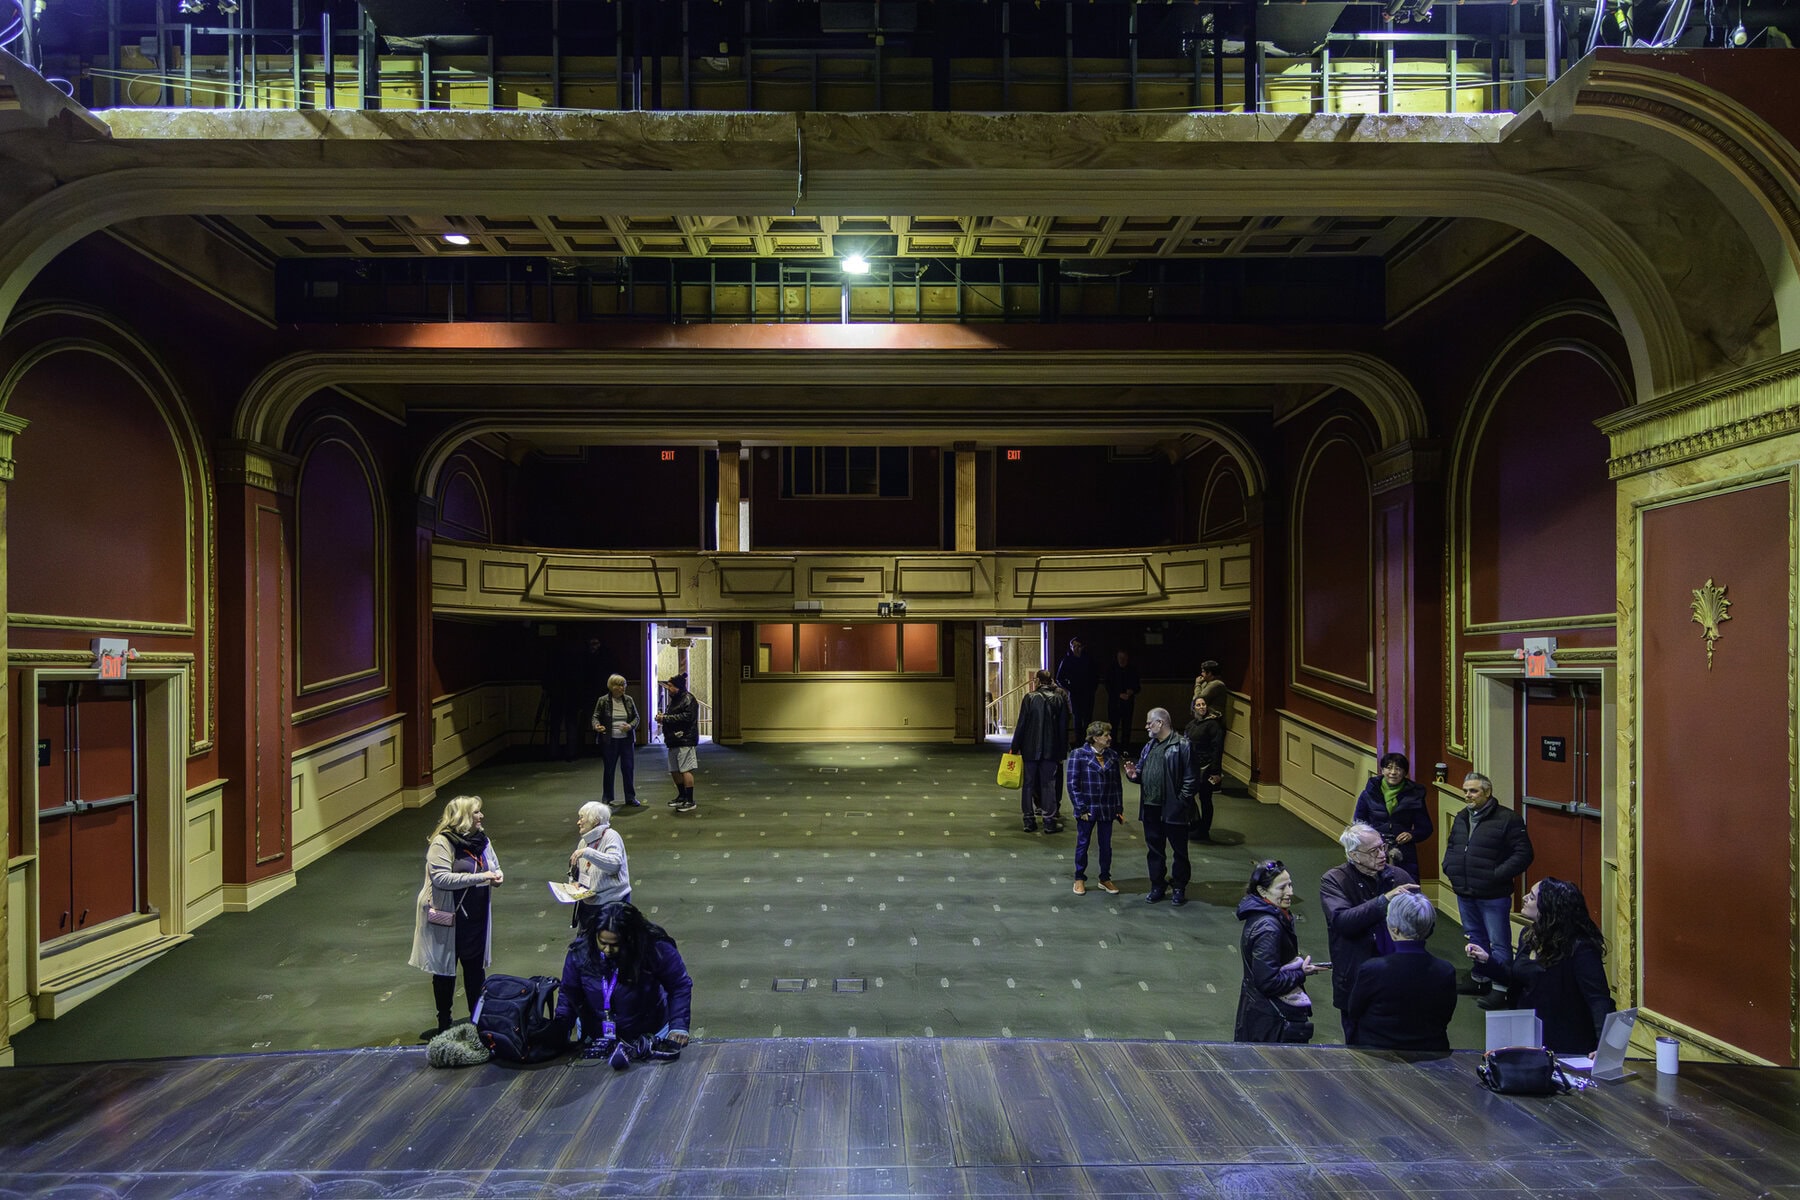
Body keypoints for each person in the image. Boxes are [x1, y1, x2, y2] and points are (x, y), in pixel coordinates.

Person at [1465, 877, 1615, 1054]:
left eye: (1532, 897)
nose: (1524, 898)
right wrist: (1487, 961)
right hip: (1527, 1033)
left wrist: (1604, 1048)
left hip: (1565, 1041)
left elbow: (1598, 999)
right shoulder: (1528, 935)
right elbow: (1517, 979)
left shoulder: (1580, 948)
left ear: (1550, 907)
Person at [408, 794, 503, 1039]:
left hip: (476, 915)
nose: (481, 816)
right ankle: (444, 1022)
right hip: (449, 917)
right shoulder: (442, 843)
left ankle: (477, 1020)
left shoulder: (482, 840)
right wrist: (482, 877)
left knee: (475, 971)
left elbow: (494, 865)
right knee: (444, 971)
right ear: (463, 817)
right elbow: (441, 879)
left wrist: (498, 875)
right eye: (476, 813)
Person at [554, 902, 693, 1067]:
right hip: (597, 1036)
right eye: (602, 943)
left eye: (614, 944)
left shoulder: (655, 948)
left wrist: (678, 1025)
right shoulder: (580, 953)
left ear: (630, 938)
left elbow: (679, 985)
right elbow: (569, 993)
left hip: (649, 1037)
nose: (607, 950)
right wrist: (561, 1031)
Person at [1442, 771, 1534, 1010]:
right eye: (1465, 791)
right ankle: (1480, 978)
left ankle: (1502, 989)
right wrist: (1449, 867)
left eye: (1473, 791)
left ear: (1487, 792)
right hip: (1465, 889)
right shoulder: (1462, 816)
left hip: (1493, 894)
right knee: (1475, 938)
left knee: (1499, 943)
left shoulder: (1508, 819)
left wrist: (1495, 875)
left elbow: (1523, 854)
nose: (1468, 795)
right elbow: (1453, 846)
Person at [1320, 822, 1420, 1036]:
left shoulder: (1399, 877)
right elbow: (1343, 922)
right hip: (1356, 978)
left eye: (1382, 847)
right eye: (1374, 851)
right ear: (1354, 855)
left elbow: (1423, 922)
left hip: (1399, 977)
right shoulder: (1334, 880)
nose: (1382, 854)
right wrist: (1384, 901)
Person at [1345, 891, 1458, 1051]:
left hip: (1376, 1052)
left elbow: (1354, 1011)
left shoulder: (1373, 969)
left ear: (1394, 929)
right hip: (1430, 1051)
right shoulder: (1445, 970)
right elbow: (1445, 1016)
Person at [1234, 859, 1329, 1042]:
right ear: (1262, 891)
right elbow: (1268, 982)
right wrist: (1300, 973)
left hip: (1259, 1012)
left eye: (1290, 885)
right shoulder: (1268, 928)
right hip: (1270, 1021)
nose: (1290, 892)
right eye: (1282, 888)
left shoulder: (1271, 915)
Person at [1123, 707, 1198, 905]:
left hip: (1174, 809)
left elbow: (1191, 779)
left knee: (1179, 851)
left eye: (1149, 722)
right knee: (1154, 850)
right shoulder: (1149, 746)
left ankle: (1179, 887)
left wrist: (1181, 801)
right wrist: (1134, 775)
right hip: (1151, 808)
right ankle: (1157, 885)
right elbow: (1142, 772)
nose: (1146, 726)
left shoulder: (1182, 746)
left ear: (1160, 723)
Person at [1352, 752, 1433, 878]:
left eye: (1398, 768)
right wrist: (1373, 837)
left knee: (1405, 890)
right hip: (1373, 849)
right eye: (1389, 768)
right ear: (1382, 770)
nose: (1393, 772)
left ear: (1405, 772)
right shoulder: (1369, 793)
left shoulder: (1415, 795)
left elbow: (1425, 828)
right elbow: (1358, 823)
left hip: (1403, 851)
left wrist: (1411, 835)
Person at [1065, 720, 1124, 895]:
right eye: (1106, 735)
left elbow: (1117, 785)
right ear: (1096, 738)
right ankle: (1079, 878)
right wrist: (1081, 808)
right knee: (1083, 843)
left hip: (1107, 807)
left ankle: (1105, 878)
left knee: (1106, 845)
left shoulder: (1112, 755)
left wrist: (1119, 809)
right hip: (1087, 808)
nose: (1109, 738)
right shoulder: (1078, 755)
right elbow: (1072, 785)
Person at [1011, 669, 1069, 833]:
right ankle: (1049, 821)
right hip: (1051, 749)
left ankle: (1028, 819)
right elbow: (1063, 728)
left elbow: (1021, 725)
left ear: (1037, 680)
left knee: (1028, 784)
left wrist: (1015, 747)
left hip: (1030, 749)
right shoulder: (1059, 699)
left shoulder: (1029, 698)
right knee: (1048, 784)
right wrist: (1062, 752)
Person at [569, 801, 631, 934]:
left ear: (595, 821)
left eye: (581, 818)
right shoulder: (583, 841)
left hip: (612, 903)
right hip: (588, 903)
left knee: (612, 944)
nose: (578, 823)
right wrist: (574, 884)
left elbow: (614, 865)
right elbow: (577, 871)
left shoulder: (611, 836)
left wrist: (588, 853)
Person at [591, 674, 642, 807]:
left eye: (624, 685)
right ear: (612, 687)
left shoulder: (629, 700)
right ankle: (607, 798)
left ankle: (630, 797)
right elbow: (595, 716)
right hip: (610, 740)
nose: (622, 688)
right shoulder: (603, 700)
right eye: (619, 685)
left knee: (628, 768)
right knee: (609, 769)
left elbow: (637, 718)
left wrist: (630, 726)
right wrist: (597, 726)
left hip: (626, 740)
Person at [1182, 694, 1224, 842]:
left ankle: (1204, 830)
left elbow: (1217, 748)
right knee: (1186, 795)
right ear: (1193, 708)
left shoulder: (1213, 725)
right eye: (1198, 705)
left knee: (1205, 799)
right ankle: (1194, 824)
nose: (1201, 707)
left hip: (1206, 767)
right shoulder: (1190, 725)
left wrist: (1216, 771)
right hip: (1191, 766)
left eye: (1203, 704)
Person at [659, 672, 701, 813]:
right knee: (674, 770)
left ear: (678, 687)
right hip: (673, 740)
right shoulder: (675, 700)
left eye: (670, 686)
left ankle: (690, 800)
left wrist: (666, 719)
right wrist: (664, 718)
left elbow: (688, 717)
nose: (668, 688)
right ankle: (682, 796)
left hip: (685, 739)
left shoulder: (688, 699)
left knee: (685, 769)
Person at [1055, 635, 1098, 744]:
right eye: (1073, 646)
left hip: (1088, 693)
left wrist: (1092, 688)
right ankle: (1079, 742)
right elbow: (1059, 677)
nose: (1076, 648)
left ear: (1082, 647)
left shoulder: (1088, 659)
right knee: (1077, 719)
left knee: (1088, 719)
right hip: (1075, 693)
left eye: (1078, 646)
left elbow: (1095, 676)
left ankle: (1087, 742)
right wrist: (1070, 688)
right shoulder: (1067, 660)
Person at [1103, 649, 1141, 755]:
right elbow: (1108, 686)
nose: (1122, 660)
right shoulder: (1112, 670)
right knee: (1113, 727)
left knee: (1126, 727)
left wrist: (1132, 691)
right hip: (1115, 703)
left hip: (1128, 703)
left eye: (1124, 658)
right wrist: (1118, 694)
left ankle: (1125, 749)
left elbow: (1138, 687)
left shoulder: (1132, 670)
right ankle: (1112, 748)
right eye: (1120, 658)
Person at [1193, 660, 1229, 732]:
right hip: (1204, 719)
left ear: (1209, 673)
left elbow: (1197, 699)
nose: (1201, 674)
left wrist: (1197, 684)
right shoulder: (1206, 683)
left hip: (1213, 721)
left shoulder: (1216, 684)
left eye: (1203, 671)